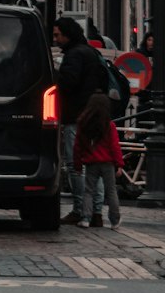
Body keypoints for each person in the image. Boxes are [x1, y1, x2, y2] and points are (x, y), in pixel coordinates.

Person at [53, 16, 107, 225]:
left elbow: (68, 83)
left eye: (58, 35)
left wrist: (55, 74)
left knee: (76, 164)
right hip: (94, 115)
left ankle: (79, 209)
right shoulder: (90, 52)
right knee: (94, 164)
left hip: (76, 116)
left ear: (67, 34)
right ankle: (96, 212)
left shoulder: (74, 55)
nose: (56, 39)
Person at [73, 91, 124, 229]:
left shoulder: (83, 125)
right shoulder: (109, 125)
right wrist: (119, 163)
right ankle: (114, 220)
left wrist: (77, 165)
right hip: (107, 162)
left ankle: (86, 218)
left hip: (91, 162)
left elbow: (77, 147)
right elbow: (114, 146)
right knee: (111, 191)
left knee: (89, 190)